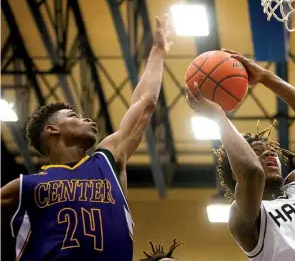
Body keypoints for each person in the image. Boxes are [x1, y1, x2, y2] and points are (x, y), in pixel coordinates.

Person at [0, 15, 170, 261]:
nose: (89, 120)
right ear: (52, 130)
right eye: (74, 116)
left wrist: (158, 51)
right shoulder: (26, 185)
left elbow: (145, 104)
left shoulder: (107, 162)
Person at [185, 49, 295, 261]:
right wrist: (219, 117)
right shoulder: (243, 218)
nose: (269, 155)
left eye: (271, 151)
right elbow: (251, 172)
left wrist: (267, 78)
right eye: (257, 152)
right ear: (235, 175)